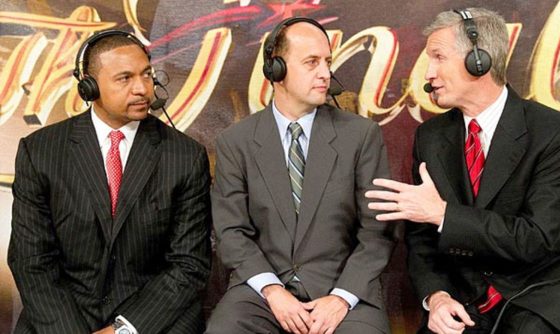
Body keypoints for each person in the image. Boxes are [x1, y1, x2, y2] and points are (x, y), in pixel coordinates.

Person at [366, 8, 560, 334]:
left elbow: (534, 239)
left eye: (438, 57)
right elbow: (421, 241)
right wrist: (436, 297)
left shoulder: (554, 132)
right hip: (461, 298)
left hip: (535, 296)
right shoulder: (430, 137)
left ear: (479, 60)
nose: (428, 73)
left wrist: (443, 215)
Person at [8, 30, 212, 333]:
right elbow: (31, 260)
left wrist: (123, 330)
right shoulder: (40, 151)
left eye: (147, 75)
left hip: (149, 315)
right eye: (125, 78)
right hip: (62, 314)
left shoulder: (185, 156)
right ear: (89, 87)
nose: (142, 89)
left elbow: (188, 264)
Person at [206, 17, 396, 334]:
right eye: (311, 62)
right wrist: (272, 291)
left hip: (344, 291)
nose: (325, 73)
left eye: (327, 62)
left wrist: (341, 298)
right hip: (261, 294)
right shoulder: (235, 142)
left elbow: (378, 234)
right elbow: (231, 234)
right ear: (276, 69)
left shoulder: (361, 136)